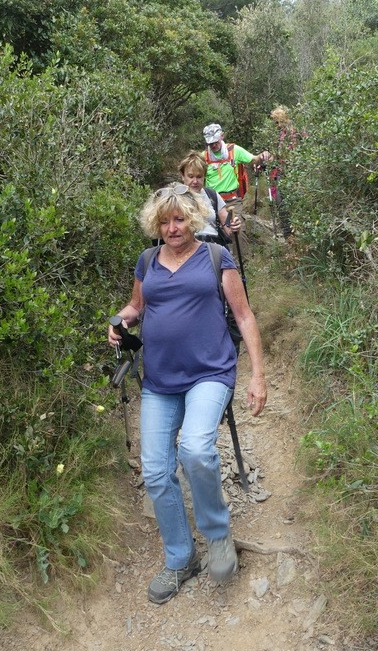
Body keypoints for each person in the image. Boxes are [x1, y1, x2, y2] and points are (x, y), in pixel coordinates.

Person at [107, 183, 267, 605]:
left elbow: (244, 316)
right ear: (155, 225)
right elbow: (136, 306)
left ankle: (217, 536)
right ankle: (180, 557)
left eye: (179, 219)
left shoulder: (216, 257)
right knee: (156, 471)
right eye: (164, 221)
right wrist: (120, 320)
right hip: (160, 381)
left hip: (210, 373)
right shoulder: (147, 261)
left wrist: (258, 376)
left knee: (195, 450)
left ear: (193, 219)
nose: (172, 228)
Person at [202, 123, 272, 260]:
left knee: (236, 229)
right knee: (210, 232)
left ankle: (242, 263)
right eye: (210, 143)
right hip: (210, 201)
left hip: (232, 201)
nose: (214, 145)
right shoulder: (203, 157)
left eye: (216, 142)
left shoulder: (234, 150)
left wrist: (262, 156)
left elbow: (253, 159)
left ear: (222, 136)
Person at [178, 151, 242, 246]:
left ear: (204, 177)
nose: (195, 181)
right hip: (186, 247)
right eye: (190, 176)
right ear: (183, 176)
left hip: (213, 247)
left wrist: (234, 227)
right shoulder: (176, 197)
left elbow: (228, 228)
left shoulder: (212, 195)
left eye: (199, 177)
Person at [268, 106, 298, 239]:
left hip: (291, 171)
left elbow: (292, 152)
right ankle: (288, 234)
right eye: (276, 122)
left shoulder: (292, 133)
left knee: (285, 202)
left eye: (280, 121)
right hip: (281, 171)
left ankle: (291, 233)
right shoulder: (282, 134)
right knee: (280, 201)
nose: (278, 125)